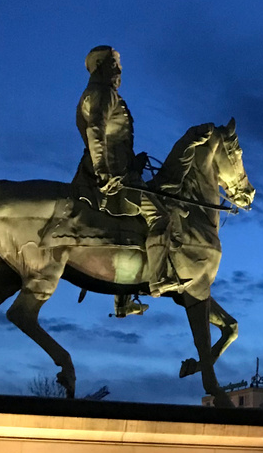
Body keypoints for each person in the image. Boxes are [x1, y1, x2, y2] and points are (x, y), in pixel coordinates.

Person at [68, 45, 182, 316]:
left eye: (119, 64)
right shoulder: (103, 93)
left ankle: (123, 298)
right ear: (99, 67)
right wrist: (104, 172)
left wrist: (133, 161)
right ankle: (159, 278)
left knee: (134, 224)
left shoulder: (102, 93)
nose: (119, 70)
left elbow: (110, 139)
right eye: (114, 64)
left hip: (121, 171)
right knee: (161, 217)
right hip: (112, 178)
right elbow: (96, 131)